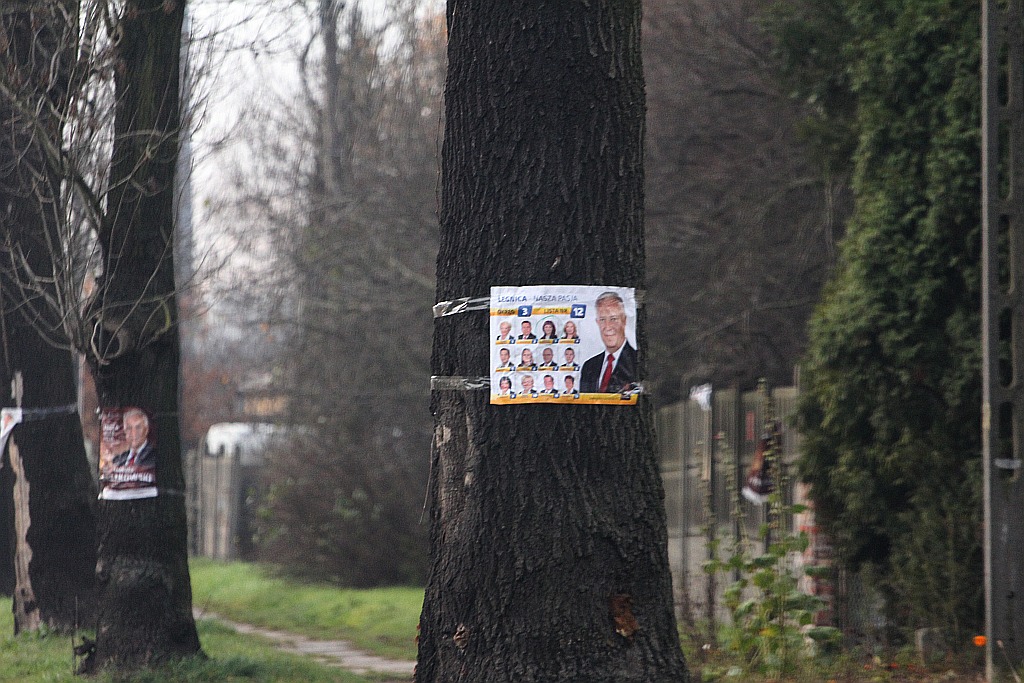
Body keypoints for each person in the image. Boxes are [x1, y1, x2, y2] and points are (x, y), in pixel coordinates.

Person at [579, 291, 637, 393]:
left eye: (613, 319)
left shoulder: (637, 361)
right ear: (597, 322)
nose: (607, 326)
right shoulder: (589, 366)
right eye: (602, 320)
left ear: (624, 320)